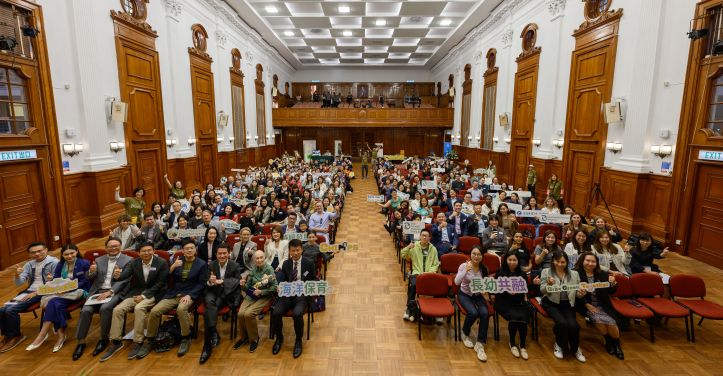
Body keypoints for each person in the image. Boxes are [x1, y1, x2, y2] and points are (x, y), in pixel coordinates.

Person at [102, 242, 168, 361]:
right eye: (143, 251)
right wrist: (117, 275)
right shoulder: (134, 262)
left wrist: (144, 297)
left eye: (149, 250)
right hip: (137, 291)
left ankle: (138, 341)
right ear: (139, 253)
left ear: (154, 251)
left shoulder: (161, 262)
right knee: (118, 309)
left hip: (154, 292)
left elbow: (161, 283)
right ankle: (116, 341)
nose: (146, 253)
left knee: (139, 308)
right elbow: (124, 276)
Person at [72, 237, 134, 360]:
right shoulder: (98, 260)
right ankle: (80, 341)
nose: (113, 248)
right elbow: (89, 277)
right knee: (85, 310)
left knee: (105, 308)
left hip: (116, 291)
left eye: (116, 246)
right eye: (110, 246)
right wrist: (90, 271)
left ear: (120, 246)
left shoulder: (129, 260)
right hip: (97, 291)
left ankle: (103, 337)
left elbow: (125, 280)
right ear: (106, 248)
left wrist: (110, 291)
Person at [144, 240, 206, 358]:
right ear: (182, 251)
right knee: (154, 311)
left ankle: (185, 337)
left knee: (182, 309)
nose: (189, 250)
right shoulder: (177, 261)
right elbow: (164, 279)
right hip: (173, 294)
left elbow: (201, 284)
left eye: (192, 248)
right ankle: (151, 339)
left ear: (195, 250)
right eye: (186, 248)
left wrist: (190, 295)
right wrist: (171, 268)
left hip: (189, 294)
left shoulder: (201, 264)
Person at [26, 244, 90, 353]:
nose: (69, 256)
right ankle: (60, 337)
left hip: (79, 292)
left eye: (72, 253)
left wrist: (67, 288)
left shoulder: (84, 263)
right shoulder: (60, 265)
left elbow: (85, 281)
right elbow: (57, 279)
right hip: (61, 293)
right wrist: (51, 279)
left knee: (53, 301)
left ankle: (42, 335)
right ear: (62, 255)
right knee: (57, 305)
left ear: (77, 251)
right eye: (66, 254)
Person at [0, 242, 59, 352]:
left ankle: (16, 336)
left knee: (11, 310)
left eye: (39, 251)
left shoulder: (54, 262)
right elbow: (19, 283)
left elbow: (57, 283)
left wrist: (36, 293)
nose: (37, 254)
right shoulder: (29, 264)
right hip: (28, 292)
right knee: (2, 309)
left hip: (43, 292)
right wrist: (17, 274)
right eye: (33, 252)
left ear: (46, 250)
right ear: (29, 254)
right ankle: (7, 336)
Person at [534, 251, 585, 362]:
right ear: (553, 261)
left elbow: (576, 292)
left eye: (563, 262)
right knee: (562, 323)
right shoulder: (546, 271)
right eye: (557, 261)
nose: (560, 264)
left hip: (568, 304)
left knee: (574, 325)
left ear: (567, 263)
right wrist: (548, 284)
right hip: (551, 303)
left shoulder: (574, 274)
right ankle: (559, 345)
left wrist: (580, 294)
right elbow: (542, 290)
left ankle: (575, 348)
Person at [573, 252, 624, 359]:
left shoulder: (603, 274)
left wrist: (613, 284)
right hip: (586, 304)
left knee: (611, 323)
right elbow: (574, 293)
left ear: (597, 263)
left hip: (603, 304)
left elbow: (611, 292)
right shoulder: (575, 274)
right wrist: (587, 305)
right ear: (582, 261)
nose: (590, 263)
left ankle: (616, 344)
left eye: (593, 261)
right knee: (598, 320)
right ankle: (609, 341)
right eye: (587, 260)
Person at [272, 239, 318, 358]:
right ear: (290, 252)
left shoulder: (309, 263)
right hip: (287, 294)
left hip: (302, 295)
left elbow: (315, 279)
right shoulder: (286, 263)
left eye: (298, 250)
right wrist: (280, 286)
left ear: (302, 249)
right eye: (293, 251)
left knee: (297, 314)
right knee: (276, 313)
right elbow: (282, 280)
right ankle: (279, 337)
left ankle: (298, 341)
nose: (296, 253)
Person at [200, 243, 242, 364]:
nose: (222, 255)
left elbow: (236, 282)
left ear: (229, 254)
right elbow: (206, 283)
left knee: (208, 312)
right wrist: (210, 281)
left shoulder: (234, 265)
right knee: (209, 302)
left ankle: (207, 345)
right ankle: (214, 333)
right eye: (219, 253)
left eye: (224, 253)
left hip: (225, 294)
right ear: (216, 254)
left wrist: (222, 281)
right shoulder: (211, 265)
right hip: (212, 291)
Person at [234, 250, 278, 353]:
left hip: (264, 296)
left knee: (249, 314)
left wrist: (261, 292)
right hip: (251, 295)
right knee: (240, 314)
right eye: (257, 258)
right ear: (254, 260)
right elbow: (247, 287)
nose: (259, 260)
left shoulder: (269, 268)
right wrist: (242, 285)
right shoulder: (253, 270)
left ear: (264, 258)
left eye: (261, 257)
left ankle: (254, 338)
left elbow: (275, 287)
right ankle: (244, 337)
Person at [454, 246, 490, 362]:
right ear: (470, 255)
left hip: (477, 295)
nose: (476, 256)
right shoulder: (464, 266)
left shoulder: (484, 269)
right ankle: (465, 333)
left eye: (479, 254)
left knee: (485, 313)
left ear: (482, 256)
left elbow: (484, 284)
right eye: (474, 254)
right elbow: (456, 282)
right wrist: (466, 270)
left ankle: (480, 343)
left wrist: (484, 289)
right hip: (464, 294)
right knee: (473, 313)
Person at [495, 251, 531, 360]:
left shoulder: (522, 273)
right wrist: (506, 290)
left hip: (518, 300)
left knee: (523, 317)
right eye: (509, 260)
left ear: (518, 261)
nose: (512, 262)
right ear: (505, 260)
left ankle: (523, 345)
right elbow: (496, 289)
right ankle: (512, 343)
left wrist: (525, 294)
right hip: (503, 301)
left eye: (514, 260)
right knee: (515, 317)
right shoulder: (500, 272)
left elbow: (525, 289)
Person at [400, 229, 439, 323]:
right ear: (420, 236)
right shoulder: (414, 246)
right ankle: (409, 308)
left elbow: (436, 264)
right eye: (423, 235)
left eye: (426, 236)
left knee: (439, 286)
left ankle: (437, 313)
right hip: (417, 272)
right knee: (413, 285)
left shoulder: (433, 249)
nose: (424, 237)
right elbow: (402, 255)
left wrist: (430, 272)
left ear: (429, 237)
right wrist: (408, 247)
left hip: (430, 273)